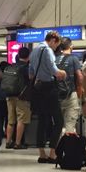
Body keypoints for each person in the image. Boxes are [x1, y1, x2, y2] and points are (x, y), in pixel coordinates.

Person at [28, 31, 67, 164]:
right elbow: (54, 70)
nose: (56, 48)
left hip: (38, 89)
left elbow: (30, 73)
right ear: (53, 40)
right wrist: (62, 73)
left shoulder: (34, 51)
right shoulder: (48, 50)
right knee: (59, 120)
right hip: (49, 88)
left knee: (42, 120)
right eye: (57, 45)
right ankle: (52, 153)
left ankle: (42, 154)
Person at [5, 47, 31, 149]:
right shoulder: (26, 68)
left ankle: (8, 142)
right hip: (22, 97)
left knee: (11, 120)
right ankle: (17, 143)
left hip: (9, 96)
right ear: (28, 56)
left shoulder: (11, 67)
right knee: (21, 119)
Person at [56, 38, 84, 136]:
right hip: (70, 94)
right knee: (70, 125)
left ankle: (55, 150)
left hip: (57, 96)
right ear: (71, 46)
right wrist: (80, 90)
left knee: (57, 125)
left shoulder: (54, 59)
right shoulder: (74, 58)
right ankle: (68, 149)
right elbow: (80, 76)